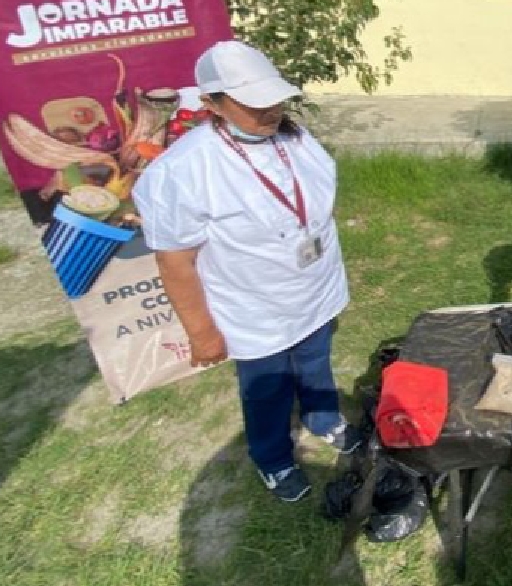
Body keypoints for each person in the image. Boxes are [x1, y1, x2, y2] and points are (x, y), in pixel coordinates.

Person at [133, 40, 359, 503]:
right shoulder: (183, 169)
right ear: (212, 104)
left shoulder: (294, 137)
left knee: (316, 360)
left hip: (313, 284)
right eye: (255, 103)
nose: (271, 110)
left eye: (274, 98)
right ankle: (273, 457)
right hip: (253, 306)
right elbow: (175, 261)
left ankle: (323, 417)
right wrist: (201, 333)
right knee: (266, 389)